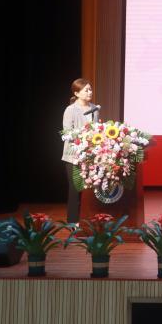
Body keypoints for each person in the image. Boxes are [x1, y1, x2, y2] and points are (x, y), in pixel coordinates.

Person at [61, 78, 98, 223]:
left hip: (89, 155)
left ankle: (88, 220)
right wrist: (83, 136)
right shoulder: (70, 110)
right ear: (76, 93)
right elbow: (66, 132)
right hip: (73, 156)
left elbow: (96, 131)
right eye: (86, 90)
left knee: (89, 189)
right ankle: (72, 222)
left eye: (90, 89)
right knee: (75, 189)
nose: (90, 92)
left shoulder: (94, 108)